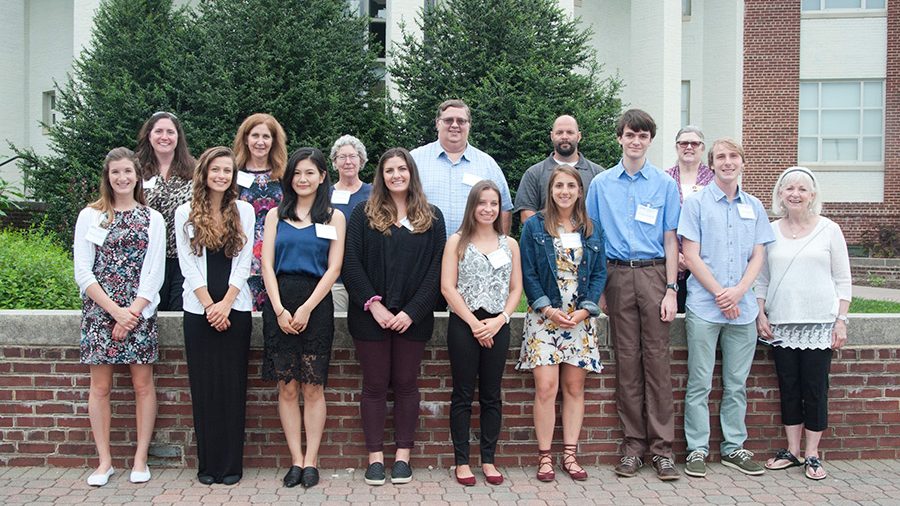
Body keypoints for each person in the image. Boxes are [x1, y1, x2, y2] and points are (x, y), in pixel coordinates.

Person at [584, 109, 681, 481]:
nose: (635, 141)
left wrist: (671, 289)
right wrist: (599, 289)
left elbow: (671, 239)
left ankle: (662, 450)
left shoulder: (664, 185)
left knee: (657, 363)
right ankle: (632, 447)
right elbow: (593, 239)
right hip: (617, 275)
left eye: (642, 135)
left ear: (650, 140)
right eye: (629, 135)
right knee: (626, 363)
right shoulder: (601, 184)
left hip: (655, 273)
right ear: (619, 138)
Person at [342, 148, 446, 486]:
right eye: (389, 170)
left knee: (405, 384)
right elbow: (351, 263)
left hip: (412, 321)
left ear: (412, 173)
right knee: (373, 385)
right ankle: (375, 459)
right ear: (381, 176)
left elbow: (436, 270)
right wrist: (374, 305)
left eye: (402, 169)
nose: (396, 175)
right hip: (369, 317)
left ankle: (403, 456)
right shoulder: (363, 213)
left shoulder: (432, 217)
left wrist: (411, 312)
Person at [678, 138, 775, 478]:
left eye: (734, 156)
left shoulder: (755, 206)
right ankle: (697, 449)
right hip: (706, 306)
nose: (728, 162)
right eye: (721, 157)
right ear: (712, 163)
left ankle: (734, 447)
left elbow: (758, 255)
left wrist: (739, 293)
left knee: (736, 383)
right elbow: (690, 254)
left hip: (743, 310)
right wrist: (722, 293)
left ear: (742, 162)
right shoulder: (696, 203)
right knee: (700, 382)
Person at [73, 147, 165, 486]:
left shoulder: (152, 218)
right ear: (107, 178)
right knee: (100, 387)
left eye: (128, 172)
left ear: (137, 175)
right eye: (116, 173)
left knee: (143, 385)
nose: (122, 178)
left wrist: (132, 314)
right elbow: (83, 271)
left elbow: (155, 270)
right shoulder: (90, 216)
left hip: (140, 312)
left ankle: (140, 458)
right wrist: (114, 312)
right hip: (100, 313)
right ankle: (105, 461)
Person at [756, 166, 851, 481]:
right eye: (789, 189)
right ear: (780, 194)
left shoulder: (829, 229)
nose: (795, 194)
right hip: (782, 323)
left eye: (802, 189)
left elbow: (842, 279)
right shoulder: (769, 231)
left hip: (819, 324)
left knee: (815, 388)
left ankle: (812, 454)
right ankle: (792, 451)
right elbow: (762, 278)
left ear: (812, 195)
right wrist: (761, 313)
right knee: (789, 388)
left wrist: (841, 320)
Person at [260, 148, 345, 489]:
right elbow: (266, 264)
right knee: (286, 385)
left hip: (317, 303)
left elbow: (335, 267)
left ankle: (312, 461)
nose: (303, 179)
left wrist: (308, 307)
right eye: (297, 173)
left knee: (312, 386)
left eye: (310, 173)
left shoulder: (333, 217)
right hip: (279, 300)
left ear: (323, 176)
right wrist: (279, 309)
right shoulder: (274, 216)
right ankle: (295, 459)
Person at [517, 165, 606, 482]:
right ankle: (544, 458)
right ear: (550, 191)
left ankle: (569, 454)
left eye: (571, 185)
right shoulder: (535, 227)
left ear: (579, 191)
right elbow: (527, 272)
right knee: (546, 387)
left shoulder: (591, 228)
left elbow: (599, 274)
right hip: (545, 317)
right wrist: (547, 309)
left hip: (580, 318)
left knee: (573, 387)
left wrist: (586, 310)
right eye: (559, 186)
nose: (565, 191)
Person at [175, 146, 255, 486]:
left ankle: (231, 466)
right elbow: (186, 264)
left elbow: (245, 260)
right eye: (216, 170)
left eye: (227, 170)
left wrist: (225, 304)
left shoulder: (245, 210)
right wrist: (210, 305)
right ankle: (207, 465)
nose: (221, 175)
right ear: (204, 173)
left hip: (235, 310)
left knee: (233, 387)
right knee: (204, 387)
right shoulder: (184, 213)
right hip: (198, 312)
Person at [441, 180, 522, 487]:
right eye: (482, 203)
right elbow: (447, 287)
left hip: (498, 325)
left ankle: (488, 459)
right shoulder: (457, 241)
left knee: (491, 395)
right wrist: (475, 324)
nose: (488, 209)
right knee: (462, 394)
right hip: (464, 324)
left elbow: (516, 289)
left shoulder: (509, 244)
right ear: (472, 206)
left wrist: (500, 319)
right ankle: (462, 461)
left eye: (494, 204)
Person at [411, 99, 513, 237]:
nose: (454, 125)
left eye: (461, 121)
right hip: (425, 251)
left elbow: (504, 209)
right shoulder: (415, 160)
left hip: (473, 252)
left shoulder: (488, 164)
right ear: (437, 123)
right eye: (448, 120)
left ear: (469, 125)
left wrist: (499, 246)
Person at [136, 111, 195, 311]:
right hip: (147, 258)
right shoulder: (135, 170)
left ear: (178, 137)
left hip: (183, 258)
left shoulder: (194, 171)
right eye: (158, 131)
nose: (164, 137)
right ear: (149, 135)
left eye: (170, 132)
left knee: (180, 313)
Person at [233, 113, 288, 311]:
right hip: (242, 253)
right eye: (255, 135)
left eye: (266, 136)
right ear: (246, 139)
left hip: (277, 252)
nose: (260, 142)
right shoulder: (233, 173)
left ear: (274, 141)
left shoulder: (284, 175)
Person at [514, 115, 604, 223]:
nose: (564, 137)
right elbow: (527, 215)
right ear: (552, 136)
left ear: (579, 136)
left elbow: (605, 213)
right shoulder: (534, 174)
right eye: (559, 132)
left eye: (570, 132)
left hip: (588, 238)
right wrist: (554, 235)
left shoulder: (598, 174)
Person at [664, 126, 714, 313]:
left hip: (706, 264)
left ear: (702, 148)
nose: (689, 147)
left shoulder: (714, 181)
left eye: (695, 143)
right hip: (672, 264)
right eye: (684, 143)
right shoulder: (665, 179)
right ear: (676, 147)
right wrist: (674, 255)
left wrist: (694, 257)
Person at [328, 135, 372, 312]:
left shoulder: (374, 194)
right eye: (342, 157)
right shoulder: (324, 195)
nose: (348, 162)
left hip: (367, 277)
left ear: (361, 160)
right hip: (335, 279)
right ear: (335, 162)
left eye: (353, 156)